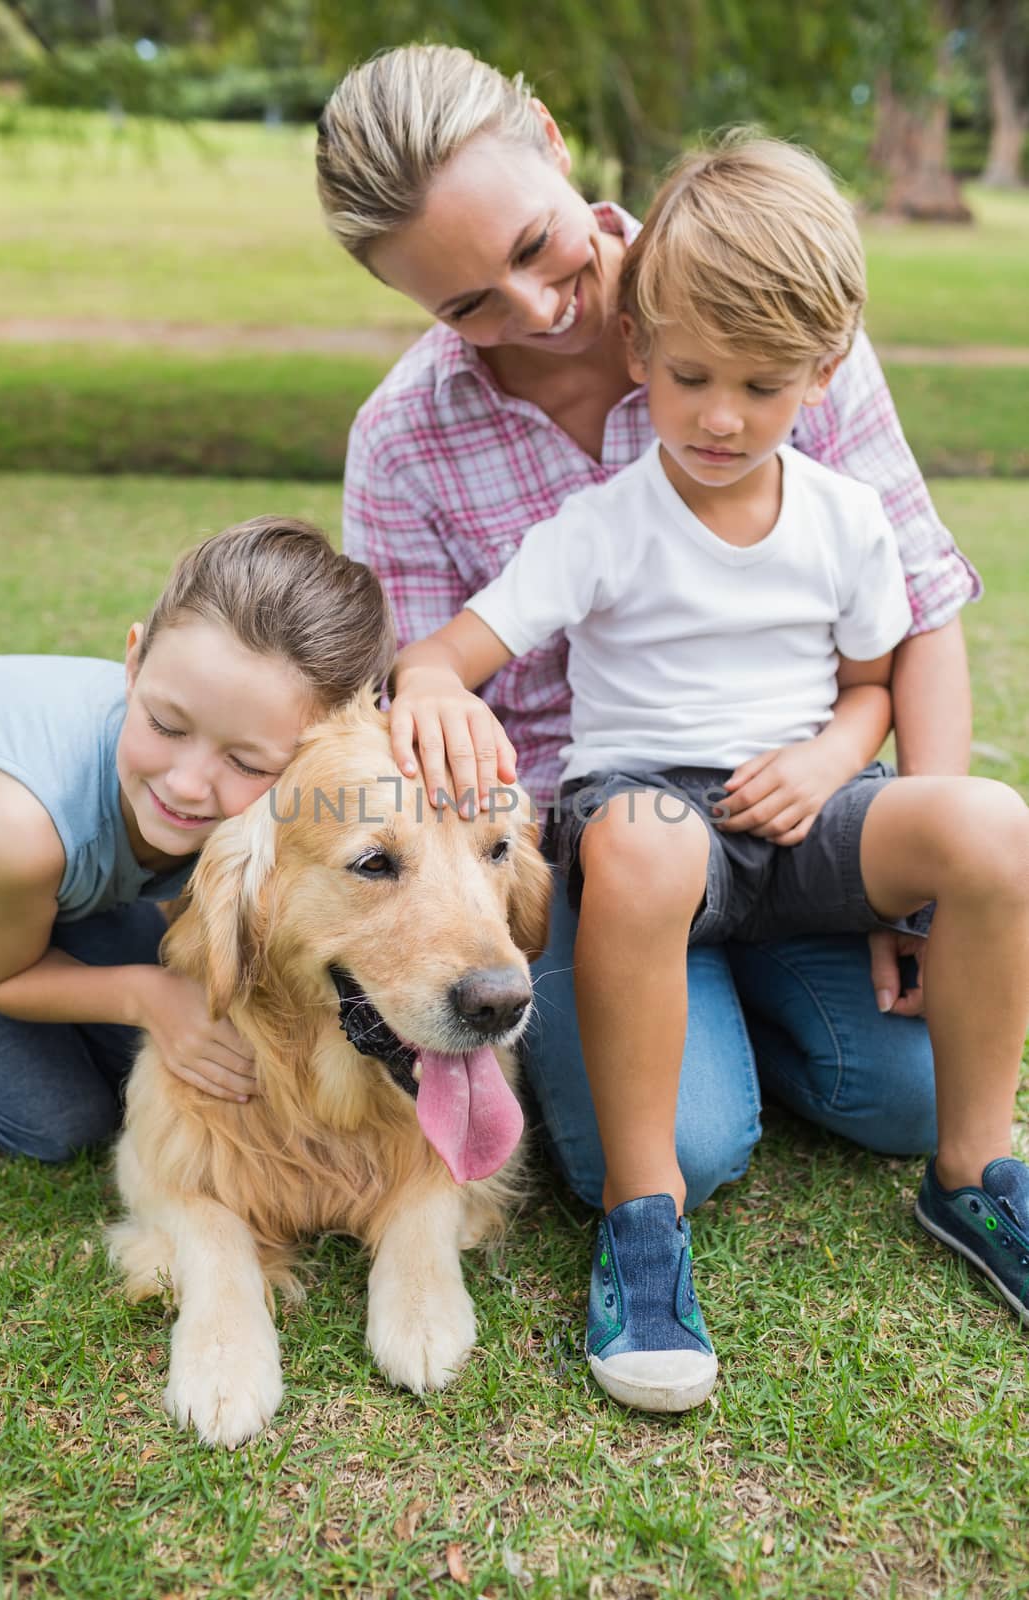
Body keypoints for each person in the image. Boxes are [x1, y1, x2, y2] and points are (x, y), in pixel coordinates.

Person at [388, 135, 1029, 1411]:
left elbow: (869, 686)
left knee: (992, 826)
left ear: (821, 375)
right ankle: (642, 1221)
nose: (721, 416)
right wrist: (421, 681)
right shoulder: (601, 525)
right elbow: (450, 652)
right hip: (642, 808)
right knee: (637, 839)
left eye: (759, 384)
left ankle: (972, 1173)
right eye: (688, 377)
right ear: (640, 353)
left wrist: (830, 759)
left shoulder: (845, 520)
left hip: (799, 802)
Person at [315, 45, 980, 1216]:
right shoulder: (403, 438)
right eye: (467, 303)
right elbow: (423, 693)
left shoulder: (766, 312)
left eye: (532, 246)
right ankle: (675, 1014)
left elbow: (913, 610)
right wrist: (423, 686)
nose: (535, 311)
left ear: (551, 140)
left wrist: (911, 899)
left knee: (910, 1100)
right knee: (693, 1143)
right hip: (597, 846)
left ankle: (733, 987)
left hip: (791, 805)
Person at [0, 515, 394, 1163]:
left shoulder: (308, 792)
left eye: (248, 764)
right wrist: (148, 994)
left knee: (203, 1050)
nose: (188, 785)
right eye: (166, 724)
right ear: (133, 662)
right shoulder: (24, 831)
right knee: (65, 1121)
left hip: (63, 892)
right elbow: (4, 978)